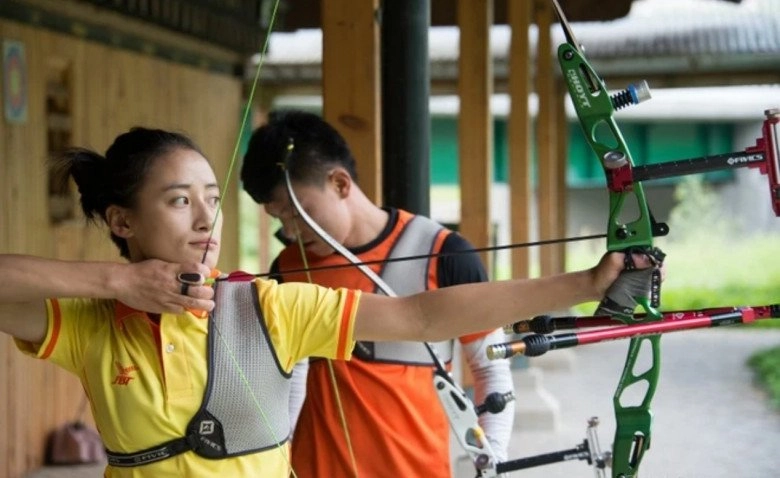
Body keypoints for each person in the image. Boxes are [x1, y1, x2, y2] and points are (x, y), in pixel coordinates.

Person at [0, 126, 651, 478]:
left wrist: (584, 284)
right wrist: (118, 285)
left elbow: (419, 316)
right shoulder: (92, 325)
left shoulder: (267, 305)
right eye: (178, 200)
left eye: (210, 195)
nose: (205, 218)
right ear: (122, 221)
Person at [240, 110, 515, 478]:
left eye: (300, 212)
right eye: (280, 220)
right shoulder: (287, 268)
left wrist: (491, 459)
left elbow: (491, 370)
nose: (291, 231)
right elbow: (292, 380)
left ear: (340, 184)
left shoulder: (445, 253)